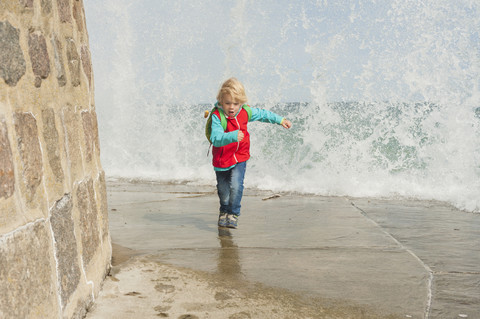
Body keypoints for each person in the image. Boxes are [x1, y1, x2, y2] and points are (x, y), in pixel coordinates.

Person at [209, 77, 292, 228]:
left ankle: (233, 214)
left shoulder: (245, 112)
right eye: (227, 103)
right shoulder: (217, 116)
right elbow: (215, 138)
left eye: (236, 103)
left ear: (241, 102)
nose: (232, 107)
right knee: (224, 191)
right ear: (221, 101)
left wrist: (280, 120)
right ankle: (224, 211)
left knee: (236, 185)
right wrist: (233, 136)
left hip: (240, 157)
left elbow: (263, 114)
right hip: (222, 160)